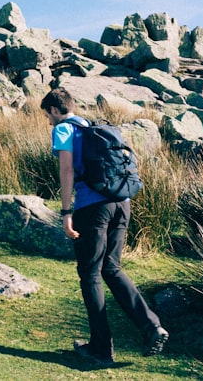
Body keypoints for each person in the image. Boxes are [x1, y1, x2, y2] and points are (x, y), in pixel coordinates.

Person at [41, 87, 169, 367]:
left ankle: (101, 348)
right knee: (111, 267)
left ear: (53, 110)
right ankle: (152, 327)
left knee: (90, 274)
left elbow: (66, 170)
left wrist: (65, 211)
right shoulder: (93, 128)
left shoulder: (63, 130)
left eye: (48, 116)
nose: (49, 121)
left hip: (93, 206)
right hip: (122, 202)